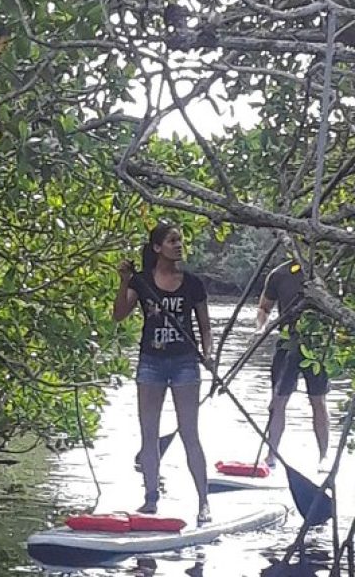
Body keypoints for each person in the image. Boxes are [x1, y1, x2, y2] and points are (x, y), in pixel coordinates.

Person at [112, 222, 213, 523]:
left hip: (185, 362)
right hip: (151, 363)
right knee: (149, 433)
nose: (178, 245)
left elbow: (205, 326)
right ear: (157, 248)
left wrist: (208, 356)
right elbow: (118, 315)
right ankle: (151, 498)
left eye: (180, 240)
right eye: (172, 241)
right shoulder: (141, 281)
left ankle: (204, 503)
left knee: (189, 432)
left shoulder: (193, 283)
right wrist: (124, 281)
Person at [255, 259, 329, 470]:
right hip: (287, 344)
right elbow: (264, 307)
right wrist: (260, 327)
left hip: (316, 344)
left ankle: (324, 456)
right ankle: (272, 455)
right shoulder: (280, 273)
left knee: (318, 401)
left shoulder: (325, 270)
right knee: (278, 401)